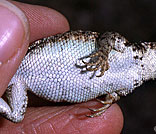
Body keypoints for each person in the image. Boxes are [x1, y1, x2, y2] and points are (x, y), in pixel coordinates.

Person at [0, 0, 123, 133]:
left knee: (16, 115)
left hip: (20, 81)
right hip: (36, 57)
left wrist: (113, 96)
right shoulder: (129, 50)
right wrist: (104, 54)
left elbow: (117, 90)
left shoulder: (127, 86)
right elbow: (108, 37)